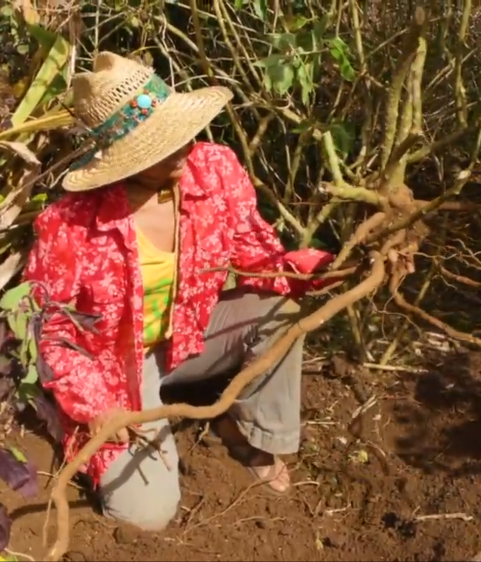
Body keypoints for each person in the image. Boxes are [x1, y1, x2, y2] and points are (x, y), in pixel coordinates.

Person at [23, 52, 334, 531]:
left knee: (280, 311)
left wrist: (309, 271)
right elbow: (55, 335)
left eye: (181, 132)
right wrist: (101, 412)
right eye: (161, 143)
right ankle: (147, 423)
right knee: (145, 516)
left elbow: (255, 253)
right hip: (116, 368)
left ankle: (247, 432)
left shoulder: (214, 170)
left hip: (193, 335)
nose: (185, 146)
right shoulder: (71, 224)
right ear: (125, 157)